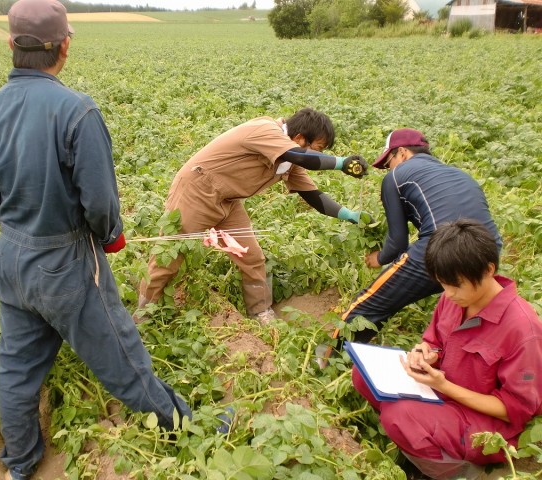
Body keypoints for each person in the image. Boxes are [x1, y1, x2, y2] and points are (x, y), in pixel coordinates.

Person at [0, 1, 191, 478]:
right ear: (65, 46)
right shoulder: (77, 110)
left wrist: (18, 230)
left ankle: (21, 461)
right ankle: (186, 428)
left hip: (10, 257)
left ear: (10, 44)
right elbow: (99, 202)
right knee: (121, 354)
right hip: (63, 260)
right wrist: (110, 235)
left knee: (16, 367)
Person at [138, 108, 370, 324]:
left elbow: (313, 196)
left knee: (252, 256)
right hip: (198, 190)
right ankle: (143, 314)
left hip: (228, 200)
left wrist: (350, 215)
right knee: (170, 255)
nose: (317, 154)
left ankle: (260, 311)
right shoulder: (266, 130)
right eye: (317, 148)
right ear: (300, 138)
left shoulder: (290, 162)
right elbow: (300, 156)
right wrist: (341, 163)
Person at [352, 219, 542, 479]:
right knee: (362, 374)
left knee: (399, 415)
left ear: (488, 270)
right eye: (443, 284)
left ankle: (458, 472)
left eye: (456, 285)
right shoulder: (453, 300)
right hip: (443, 392)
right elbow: (435, 342)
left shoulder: (523, 328)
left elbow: (515, 410)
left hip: (483, 420)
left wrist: (444, 386)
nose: (448, 293)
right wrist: (426, 353)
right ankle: (418, 439)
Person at [329, 128, 502, 351]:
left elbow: (398, 242)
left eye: (388, 162)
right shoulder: (460, 174)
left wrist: (379, 258)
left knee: (371, 304)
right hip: (489, 251)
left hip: (443, 247)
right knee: (467, 314)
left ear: (401, 153)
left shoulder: (395, 177)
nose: (387, 169)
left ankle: (330, 359)